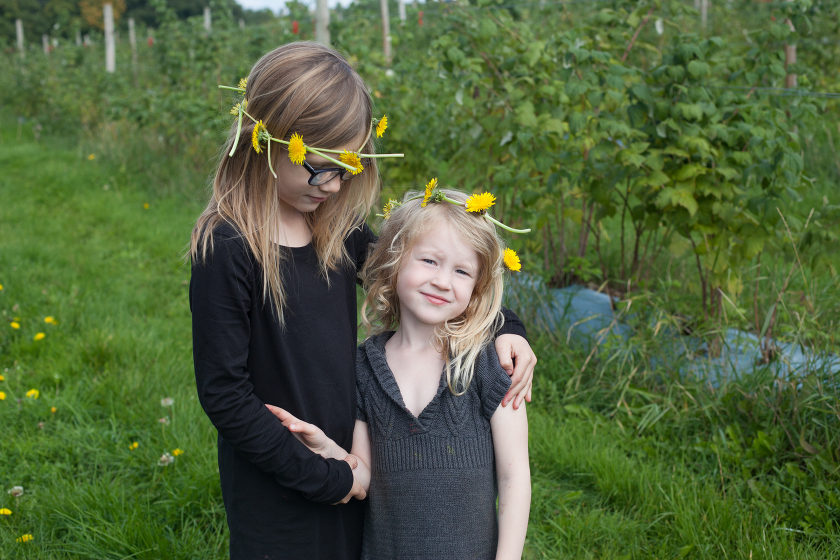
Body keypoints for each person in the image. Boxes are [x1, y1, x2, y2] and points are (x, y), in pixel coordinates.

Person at [189, 42, 536, 560]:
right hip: (280, 484)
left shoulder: (334, 228)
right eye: (321, 167)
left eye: (346, 168)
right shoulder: (229, 247)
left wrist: (507, 326)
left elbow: (415, 279)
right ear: (265, 138)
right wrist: (321, 477)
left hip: (353, 462)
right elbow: (225, 395)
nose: (333, 184)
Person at [268, 188, 531, 560]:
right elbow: (364, 478)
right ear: (394, 261)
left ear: (476, 290)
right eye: (429, 260)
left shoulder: (487, 363)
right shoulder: (363, 368)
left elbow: (514, 475)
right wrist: (326, 449)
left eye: (461, 271)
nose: (442, 281)